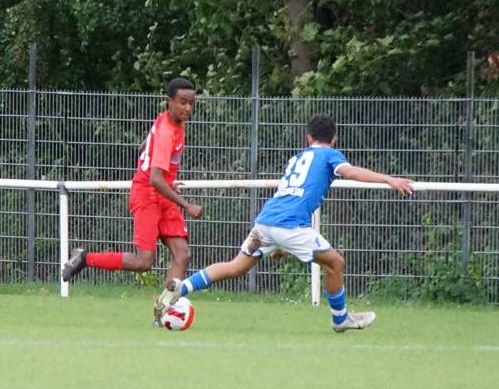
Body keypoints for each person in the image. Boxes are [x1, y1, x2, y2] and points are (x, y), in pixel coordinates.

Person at [160, 112, 415, 333]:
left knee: (235, 266)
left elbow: (290, 194)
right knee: (336, 263)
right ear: (334, 139)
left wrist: (280, 243)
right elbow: (349, 172)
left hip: (266, 221)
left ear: (308, 138)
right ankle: (340, 319)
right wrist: (389, 179)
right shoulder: (330, 155)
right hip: (289, 224)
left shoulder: (297, 158)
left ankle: (182, 287)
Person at [62, 77, 203, 314]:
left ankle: (164, 310)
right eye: (182, 102)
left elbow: (143, 147)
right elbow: (154, 179)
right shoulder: (167, 132)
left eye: (191, 103)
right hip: (147, 194)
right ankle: (85, 258)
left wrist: (166, 178)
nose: (187, 108)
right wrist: (186, 205)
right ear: (169, 101)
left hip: (163, 194)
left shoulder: (168, 120)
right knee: (144, 262)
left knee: (182, 254)